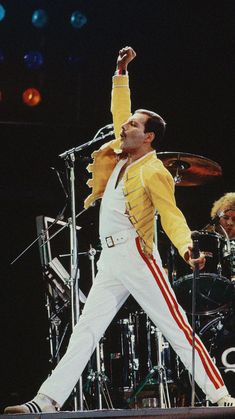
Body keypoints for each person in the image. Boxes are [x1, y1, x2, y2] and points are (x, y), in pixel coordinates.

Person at [4, 47, 235, 414]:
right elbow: (118, 112)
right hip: (111, 260)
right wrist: (120, 72)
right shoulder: (121, 158)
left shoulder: (154, 170)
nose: (125, 127)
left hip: (137, 255)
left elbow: (171, 214)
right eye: (126, 124)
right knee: (86, 330)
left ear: (148, 137)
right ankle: (46, 401)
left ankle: (221, 395)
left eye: (133, 125)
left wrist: (187, 247)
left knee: (174, 326)